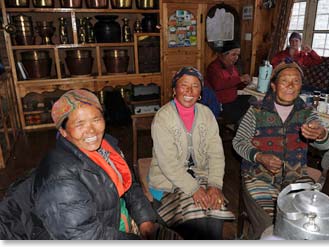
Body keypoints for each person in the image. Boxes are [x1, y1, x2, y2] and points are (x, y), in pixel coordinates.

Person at [0, 89, 157, 239]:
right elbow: (83, 236)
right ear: (63, 131)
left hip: (114, 220)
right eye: (80, 124)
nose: (91, 131)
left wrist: (145, 220)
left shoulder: (107, 145)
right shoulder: (59, 178)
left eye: (96, 119)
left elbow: (130, 185)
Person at [232, 61, 329, 223]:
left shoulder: (307, 113)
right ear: (273, 86)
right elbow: (238, 142)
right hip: (259, 177)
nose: (290, 86)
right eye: (284, 81)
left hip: (297, 177)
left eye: (295, 81)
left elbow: (327, 143)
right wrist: (260, 157)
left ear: (301, 86)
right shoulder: (256, 111)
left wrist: (321, 134)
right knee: (270, 224)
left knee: (307, 222)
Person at [148, 66, 235, 240]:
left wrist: (214, 185)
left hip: (201, 178)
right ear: (174, 90)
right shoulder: (163, 117)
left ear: (201, 92)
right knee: (197, 219)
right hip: (168, 182)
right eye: (184, 85)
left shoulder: (207, 114)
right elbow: (168, 164)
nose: (189, 90)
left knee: (215, 208)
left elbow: (216, 154)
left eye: (195, 86)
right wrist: (194, 189)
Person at [205, 41, 256, 125]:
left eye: (238, 55)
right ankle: (241, 127)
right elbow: (218, 84)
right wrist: (240, 79)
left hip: (233, 99)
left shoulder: (232, 67)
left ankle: (242, 126)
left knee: (253, 99)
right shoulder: (213, 67)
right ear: (224, 54)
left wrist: (244, 83)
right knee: (245, 112)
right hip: (221, 104)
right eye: (233, 55)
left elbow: (236, 85)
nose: (236, 58)